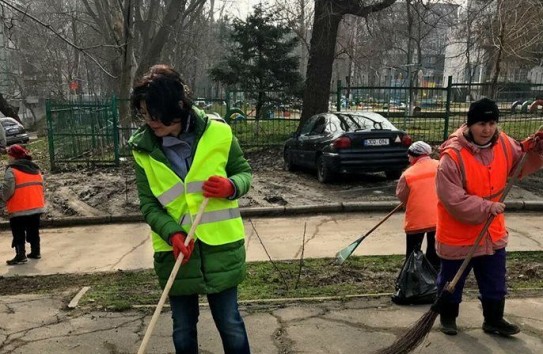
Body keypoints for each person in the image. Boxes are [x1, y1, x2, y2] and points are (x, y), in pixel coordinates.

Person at [128, 64, 252, 354]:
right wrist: (172, 234)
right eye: (145, 115)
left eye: (157, 116)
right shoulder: (142, 149)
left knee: (230, 324)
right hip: (176, 253)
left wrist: (231, 187)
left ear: (179, 107)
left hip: (221, 248)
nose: (151, 123)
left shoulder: (219, 133)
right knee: (183, 329)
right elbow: (149, 204)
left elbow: (244, 172)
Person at [435, 97, 543, 336]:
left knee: (495, 280)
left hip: (492, 231)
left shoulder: (503, 142)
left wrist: (536, 148)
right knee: (452, 279)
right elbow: (452, 199)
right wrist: (486, 207)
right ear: (470, 124)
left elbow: (519, 164)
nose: (487, 129)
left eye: (492, 123)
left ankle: (493, 320)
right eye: (481, 123)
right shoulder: (452, 156)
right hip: (458, 232)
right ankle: (448, 318)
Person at [395, 140, 440, 271]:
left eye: (409, 156)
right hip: (438, 218)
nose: (408, 159)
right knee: (434, 250)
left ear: (414, 155)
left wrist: (406, 201)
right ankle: (433, 274)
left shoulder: (408, 174)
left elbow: (401, 195)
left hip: (417, 219)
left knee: (413, 251)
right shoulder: (440, 166)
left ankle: (412, 274)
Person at [2, 144, 45, 265]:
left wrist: (3, 197)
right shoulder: (35, 168)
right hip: (36, 205)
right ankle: (36, 252)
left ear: (13, 156)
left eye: (9, 155)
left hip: (19, 207)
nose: (8, 158)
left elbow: (7, 190)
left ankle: (21, 255)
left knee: (18, 231)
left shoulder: (12, 170)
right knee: (33, 229)